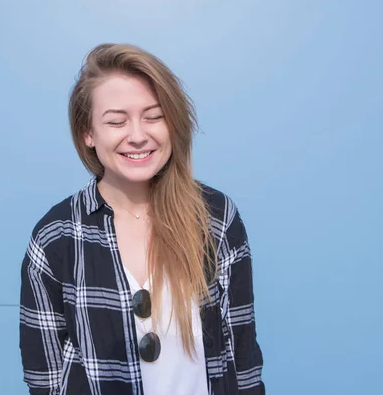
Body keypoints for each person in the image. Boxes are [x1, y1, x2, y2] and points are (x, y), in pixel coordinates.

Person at [19, 43, 265, 395]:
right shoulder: (56, 236)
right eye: (117, 121)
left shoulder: (216, 218)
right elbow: (44, 378)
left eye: (153, 116)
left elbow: (244, 360)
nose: (137, 135)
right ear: (88, 133)